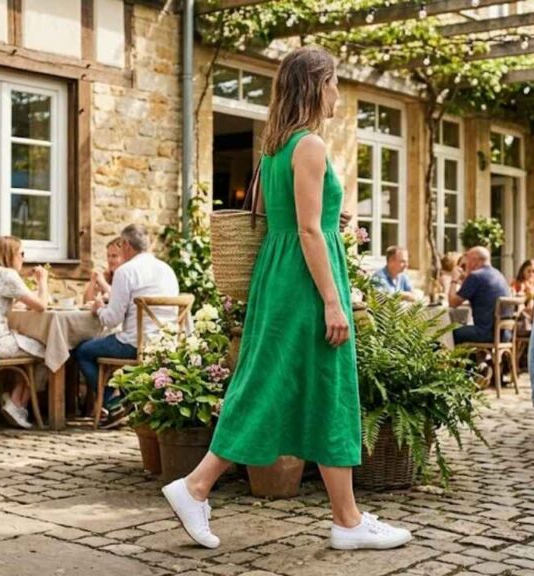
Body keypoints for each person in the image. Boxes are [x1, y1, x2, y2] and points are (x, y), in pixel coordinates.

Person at [161, 47, 412, 552]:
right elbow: (307, 230)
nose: (339, 91)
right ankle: (197, 485)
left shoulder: (276, 149)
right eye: (336, 81)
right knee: (308, 385)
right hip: (305, 284)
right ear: (318, 85)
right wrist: (333, 302)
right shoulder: (311, 146)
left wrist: (327, 229)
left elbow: (296, 221)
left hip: (279, 278)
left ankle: (346, 517)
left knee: (295, 385)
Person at [74, 224, 179, 427]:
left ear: (126, 245)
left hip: (135, 344)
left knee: (83, 351)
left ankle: (114, 403)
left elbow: (112, 319)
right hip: (166, 343)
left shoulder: (126, 271)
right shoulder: (167, 270)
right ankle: (126, 404)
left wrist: (98, 309)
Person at [0, 236, 49, 429]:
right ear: (10, 254)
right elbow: (42, 305)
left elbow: (1, 303)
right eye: (22, 253)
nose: (23, 258)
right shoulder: (7, 275)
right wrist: (43, 281)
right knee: (49, 350)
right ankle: (17, 403)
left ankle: (13, 400)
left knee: (28, 348)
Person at [448, 247, 512, 344]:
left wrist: (454, 280)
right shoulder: (498, 274)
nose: (466, 266)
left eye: (467, 262)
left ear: (474, 261)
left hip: (485, 333)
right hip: (504, 334)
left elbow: (452, 303)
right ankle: (473, 358)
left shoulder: (475, 276)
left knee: (446, 334)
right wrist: (466, 278)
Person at [83, 237, 125, 304]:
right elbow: (87, 303)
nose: (110, 260)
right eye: (108, 256)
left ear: (124, 257)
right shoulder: (108, 275)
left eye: (114, 256)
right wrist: (93, 282)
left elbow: (120, 299)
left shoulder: (127, 275)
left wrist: (103, 283)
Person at [510, 259, 534, 325]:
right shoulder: (517, 283)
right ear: (523, 271)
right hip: (520, 314)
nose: (531, 274)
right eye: (529, 271)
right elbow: (513, 295)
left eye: (533, 271)